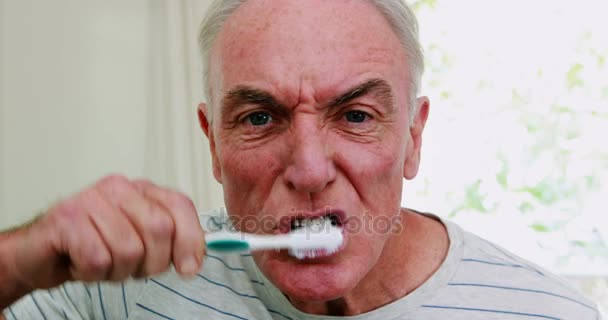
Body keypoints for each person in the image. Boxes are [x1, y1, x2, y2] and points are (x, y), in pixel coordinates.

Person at [0, 0, 602, 319]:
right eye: (260, 118)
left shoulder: (549, 316)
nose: (310, 170)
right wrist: (22, 258)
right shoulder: (131, 288)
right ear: (213, 142)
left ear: (413, 138)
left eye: (356, 116)